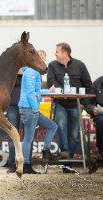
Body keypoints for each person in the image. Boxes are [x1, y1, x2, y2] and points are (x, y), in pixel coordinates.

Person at [47, 42, 93, 173]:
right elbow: (51, 82)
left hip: (76, 104)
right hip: (60, 103)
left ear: (65, 53)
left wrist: (86, 103)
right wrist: (60, 90)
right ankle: (65, 152)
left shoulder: (80, 65)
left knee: (73, 135)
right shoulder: (52, 65)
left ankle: (68, 164)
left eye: (57, 51)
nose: (55, 53)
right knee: (60, 125)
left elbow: (88, 85)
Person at [19, 65, 57, 174]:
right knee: (28, 138)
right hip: (30, 108)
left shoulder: (32, 72)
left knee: (52, 126)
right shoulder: (31, 72)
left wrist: (47, 91)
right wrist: (35, 109)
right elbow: (30, 93)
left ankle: (46, 150)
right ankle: (26, 165)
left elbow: (35, 91)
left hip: (29, 107)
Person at [84, 75, 103, 172]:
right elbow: (87, 102)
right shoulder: (97, 83)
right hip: (100, 113)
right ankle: (101, 153)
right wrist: (93, 109)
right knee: (100, 121)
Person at [6, 68, 23, 173]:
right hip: (12, 106)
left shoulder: (28, 70)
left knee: (27, 138)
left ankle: (27, 165)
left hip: (26, 107)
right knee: (12, 136)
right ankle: (12, 165)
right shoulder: (9, 71)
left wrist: (24, 74)